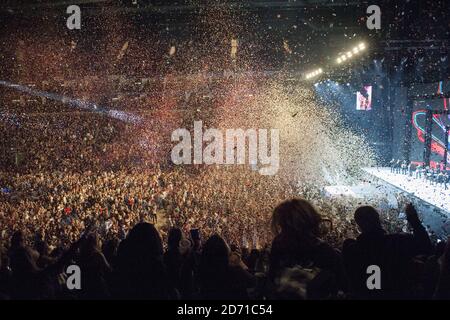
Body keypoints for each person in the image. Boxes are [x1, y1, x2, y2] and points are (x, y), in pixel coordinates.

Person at [342, 204, 432, 299]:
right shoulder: (398, 242)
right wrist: (413, 219)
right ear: (378, 219)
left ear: (358, 225)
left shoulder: (351, 250)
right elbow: (426, 247)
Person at [268, 198, 347, 299]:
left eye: (283, 225)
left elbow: (271, 281)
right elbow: (344, 287)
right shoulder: (326, 252)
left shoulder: (279, 247)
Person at [198, 234, 256, 299]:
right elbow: (253, 282)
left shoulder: (201, 273)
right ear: (225, 252)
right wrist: (240, 264)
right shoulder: (235, 272)